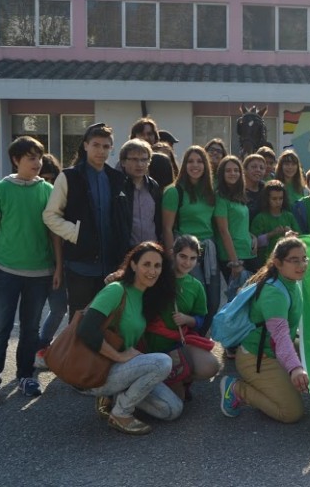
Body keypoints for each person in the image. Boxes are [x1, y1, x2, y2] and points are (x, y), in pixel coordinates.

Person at [0, 137, 63, 407]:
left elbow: (54, 233)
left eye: (40, 157)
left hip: (40, 272)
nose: (37, 162)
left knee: (31, 329)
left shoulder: (47, 190)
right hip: (5, 271)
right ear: (16, 160)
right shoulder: (0, 189)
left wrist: (57, 266)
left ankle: (25, 375)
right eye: (31, 157)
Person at [82, 242, 182, 434]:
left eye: (157, 266)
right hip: (96, 372)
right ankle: (121, 413)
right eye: (146, 264)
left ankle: (114, 397)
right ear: (134, 265)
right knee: (162, 362)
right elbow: (86, 330)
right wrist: (119, 357)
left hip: (123, 371)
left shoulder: (146, 296)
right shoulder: (116, 290)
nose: (152, 271)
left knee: (172, 410)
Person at [219, 235, 310, 423]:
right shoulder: (274, 293)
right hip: (257, 358)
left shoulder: (291, 280)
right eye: (294, 260)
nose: (301, 265)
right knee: (291, 412)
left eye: (304, 258)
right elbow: (281, 336)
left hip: (275, 351)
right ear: (277, 262)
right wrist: (295, 368)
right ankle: (236, 389)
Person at [43, 123, 128, 319]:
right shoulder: (69, 176)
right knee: (78, 319)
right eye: (96, 145)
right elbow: (50, 215)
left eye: (106, 146)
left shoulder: (117, 178)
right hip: (80, 264)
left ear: (111, 149)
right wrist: (74, 232)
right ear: (86, 146)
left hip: (111, 265)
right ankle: (73, 351)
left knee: (107, 319)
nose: (101, 151)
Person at [143, 235, 221, 401]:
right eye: (183, 256)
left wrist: (188, 319)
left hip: (177, 346)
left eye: (193, 258)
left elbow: (200, 319)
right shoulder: (158, 276)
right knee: (172, 405)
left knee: (210, 366)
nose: (187, 263)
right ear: (173, 254)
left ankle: (182, 379)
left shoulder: (196, 286)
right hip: (148, 344)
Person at [162, 146, 219, 334]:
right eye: (190, 161)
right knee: (195, 299)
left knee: (213, 300)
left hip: (208, 250)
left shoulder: (211, 191)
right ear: (184, 164)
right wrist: (172, 257)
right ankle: (190, 342)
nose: (195, 165)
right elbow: (167, 228)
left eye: (200, 161)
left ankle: (200, 337)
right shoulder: (174, 191)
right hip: (186, 251)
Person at [33, 154, 67, 370]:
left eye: (52, 178)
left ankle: (42, 344)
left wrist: (60, 265)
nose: (49, 183)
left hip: (58, 263)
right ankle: (34, 350)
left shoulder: (62, 197)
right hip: (33, 264)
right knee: (32, 313)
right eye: (44, 178)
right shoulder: (32, 196)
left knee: (59, 308)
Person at [214, 155, 257, 287]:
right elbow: (223, 230)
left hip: (248, 252)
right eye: (228, 170)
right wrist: (235, 262)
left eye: (236, 170)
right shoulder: (220, 197)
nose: (233, 173)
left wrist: (252, 236)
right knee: (238, 300)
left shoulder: (239, 196)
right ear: (222, 174)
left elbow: (239, 224)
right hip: (234, 257)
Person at [119, 138, 164, 248]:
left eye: (144, 160)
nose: (139, 164)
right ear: (123, 162)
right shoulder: (117, 187)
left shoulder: (153, 186)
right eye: (134, 159)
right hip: (126, 251)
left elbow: (158, 220)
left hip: (152, 249)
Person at [251, 180, 300, 261]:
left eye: (280, 198)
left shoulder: (289, 216)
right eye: (274, 199)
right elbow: (254, 243)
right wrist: (271, 234)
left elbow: (300, 237)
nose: (278, 202)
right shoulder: (260, 218)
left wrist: (292, 233)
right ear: (267, 199)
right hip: (265, 262)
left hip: (287, 262)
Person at [242, 153, 268, 222]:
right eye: (253, 167)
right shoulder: (238, 191)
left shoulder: (267, 190)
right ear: (244, 170)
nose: (258, 170)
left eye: (261, 168)